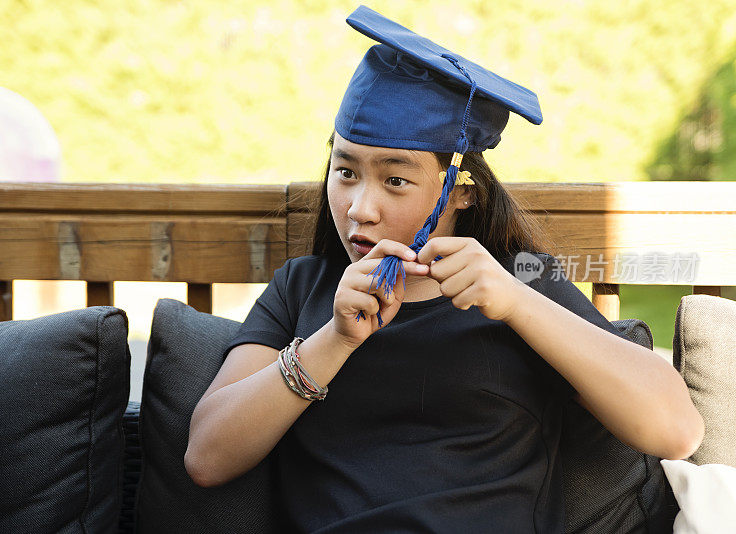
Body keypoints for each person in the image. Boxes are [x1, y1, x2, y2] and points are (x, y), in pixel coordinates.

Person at [184, 6, 704, 533]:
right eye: (345, 171)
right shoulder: (303, 288)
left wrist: (517, 302)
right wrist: (334, 341)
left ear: (459, 194)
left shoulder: (521, 282)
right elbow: (207, 458)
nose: (361, 207)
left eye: (396, 181)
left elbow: (676, 431)